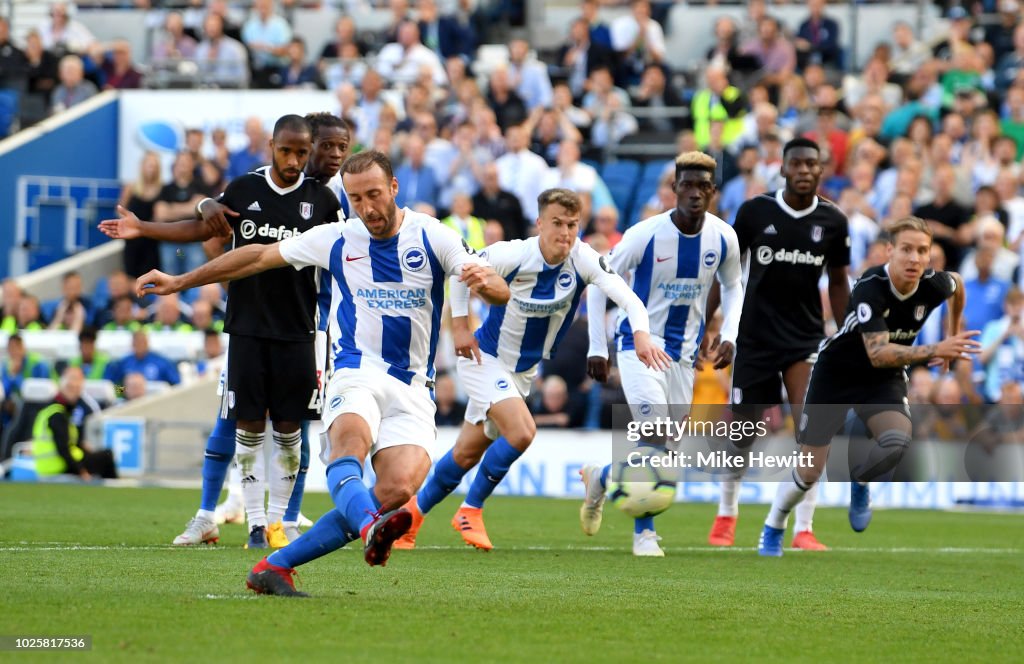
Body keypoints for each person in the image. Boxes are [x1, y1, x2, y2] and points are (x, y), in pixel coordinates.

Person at [133, 150, 509, 597]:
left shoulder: (433, 235)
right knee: (348, 447)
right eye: (355, 198)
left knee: (397, 489)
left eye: (374, 194)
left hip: (413, 387)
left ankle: (275, 566)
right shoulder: (336, 238)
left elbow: (496, 287)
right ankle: (371, 527)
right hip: (355, 370)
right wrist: (180, 281)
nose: (366, 208)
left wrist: (491, 288)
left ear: (393, 188)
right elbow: (254, 257)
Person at [100, 115, 341, 550]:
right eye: (287, 150)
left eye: (301, 153)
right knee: (243, 424)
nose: (293, 160)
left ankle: (279, 523)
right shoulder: (245, 189)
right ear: (271, 146)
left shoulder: (324, 201)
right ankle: (248, 523)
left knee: (291, 429)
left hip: (302, 330)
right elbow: (203, 227)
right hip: (246, 327)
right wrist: (148, 227)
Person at [395, 188, 668, 551]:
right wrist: (460, 327)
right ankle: (470, 510)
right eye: (557, 223)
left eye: (572, 225)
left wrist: (641, 335)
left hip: (522, 372)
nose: (565, 233)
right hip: (484, 359)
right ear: (540, 223)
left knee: (465, 453)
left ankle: (408, 521)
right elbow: (462, 274)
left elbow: (629, 298)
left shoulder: (584, 259)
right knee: (523, 432)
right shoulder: (512, 254)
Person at [757, 217, 979, 556]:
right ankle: (774, 525)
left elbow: (958, 285)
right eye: (906, 249)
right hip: (836, 374)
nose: (914, 258)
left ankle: (860, 479)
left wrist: (952, 331)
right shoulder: (870, 286)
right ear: (890, 251)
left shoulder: (935, 285)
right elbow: (877, 353)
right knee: (810, 469)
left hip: (883, 379)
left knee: (896, 441)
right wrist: (937, 349)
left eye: (922, 251)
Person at [582, 152, 745, 557]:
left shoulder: (724, 237)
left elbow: (734, 286)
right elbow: (599, 282)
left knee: (663, 454)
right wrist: (597, 346)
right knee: (653, 434)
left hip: (684, 359)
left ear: (713, 191)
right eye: (686, 185)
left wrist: (729, 333)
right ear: (674, 189)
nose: (694, 193)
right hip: (639, 347)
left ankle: (601, 478)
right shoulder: (643, 235)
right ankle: (645, 535)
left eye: (703, 186)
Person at [706, 137, 851, 552]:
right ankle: (727, 512)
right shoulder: (755, 212)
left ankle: (804, 526)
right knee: (743, 433)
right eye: (797, 164)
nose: (805, 170)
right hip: (753, 339)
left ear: (821, 170)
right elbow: (728, 272)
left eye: (812, 163)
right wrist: (710, 323)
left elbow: (839, 283)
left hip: (804, 339)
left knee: (814, 429)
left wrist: (845, 338)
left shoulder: (834, 221)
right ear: (784, 169)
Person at [32, 366, 117, 480]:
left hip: (47, 467)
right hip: (59, 466)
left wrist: (81, 446)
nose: (75, 391)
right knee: (107, 456)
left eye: (78, 388)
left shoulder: (50, 410)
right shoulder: (57, 414)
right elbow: (63, 449)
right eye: (71, 387)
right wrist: (81, 471)